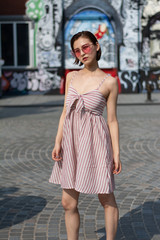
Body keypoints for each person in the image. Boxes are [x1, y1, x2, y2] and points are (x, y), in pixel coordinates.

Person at [49, 30, 122, 240]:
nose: (82, 53)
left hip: (96, 143)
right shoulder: (71, 77)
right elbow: (65, 112)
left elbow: (112, 120)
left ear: (97, 46)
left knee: (106, 198)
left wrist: (116, 153)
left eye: (86, 47)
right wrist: (58, 140)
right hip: (72, 142)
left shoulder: (110, 82)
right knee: (67, 202)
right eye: (77, 50)